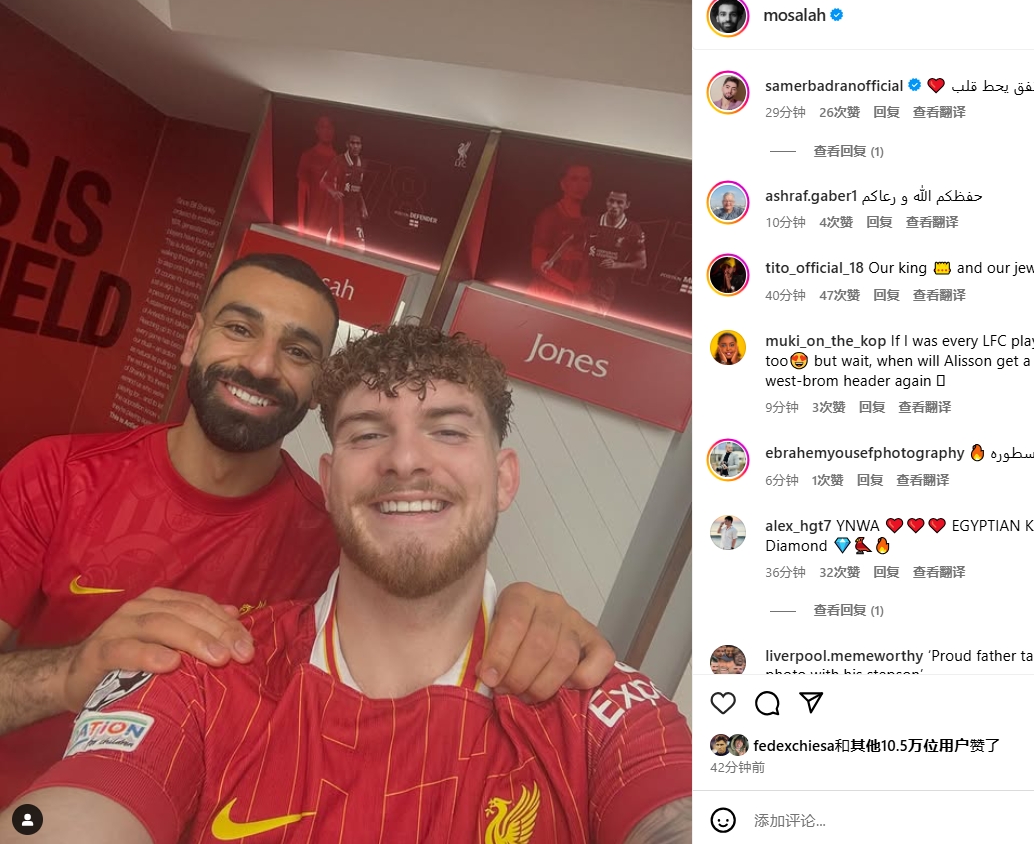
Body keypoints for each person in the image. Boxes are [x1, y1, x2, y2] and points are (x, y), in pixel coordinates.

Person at [5, 325, 692, 844]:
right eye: (367, 435)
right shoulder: (203, 672)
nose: (405, 459)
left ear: (503, 478)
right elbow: (66, 814)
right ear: (329, 483)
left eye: (448, 431)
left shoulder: (598, 705)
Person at [529, 162, 594, 305]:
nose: (580, 185)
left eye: (586, 180)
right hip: (545, 295)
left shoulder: (590, 222)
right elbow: (537, 263)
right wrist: (572, 287)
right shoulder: (550, 216)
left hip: (572, 300)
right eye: (574, 179)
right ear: (563, 184)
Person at [583, 189, 647, 313]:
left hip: (606, 291)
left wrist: (617, 265)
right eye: (611, 201)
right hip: (582, 284)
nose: (614, 205)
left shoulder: (633, 230)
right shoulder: (592, 222)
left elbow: (642, 264)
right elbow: (573, 241)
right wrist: (552, 261)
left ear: (627, 205)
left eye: (619, 202)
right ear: (606, 201)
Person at [322, 133, 368, 250]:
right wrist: (333, 192)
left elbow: (357, 188)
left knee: (360, 248)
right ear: (347, 144)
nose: (355, 146)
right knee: (332, 248)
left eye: (358, 143)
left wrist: (363, 206)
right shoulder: (338, 161)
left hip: (353, 214)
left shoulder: (362, 164)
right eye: (353, 143)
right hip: (338, 212)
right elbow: (323, 182)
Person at [296, 115, 339, 237]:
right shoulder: (308, 156)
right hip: (314, 220)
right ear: (317, 130)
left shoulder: (339, 160)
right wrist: (300, 223)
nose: (326, 131)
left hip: (333, 221)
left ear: (334, 130)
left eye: (329, 127)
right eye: (323, 127)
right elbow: (302, 191)